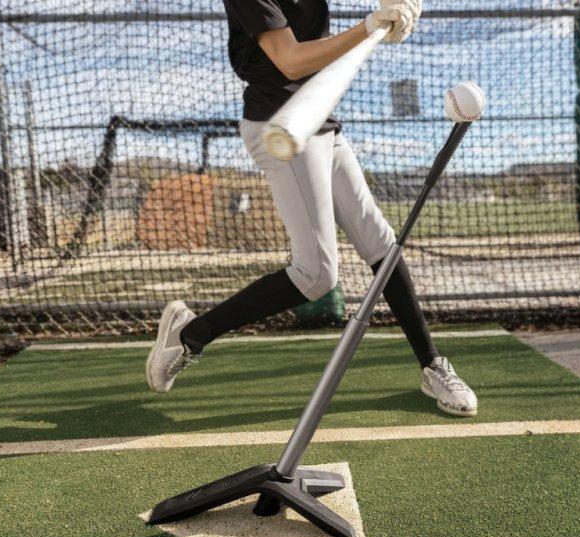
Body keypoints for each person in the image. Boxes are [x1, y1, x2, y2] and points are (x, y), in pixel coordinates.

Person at [145, 0, 478, 417]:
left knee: (381, 242)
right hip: (281, 125)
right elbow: (290, 61)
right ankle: (191, 333)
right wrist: (370, 24)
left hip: (320, 118)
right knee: (316, 274)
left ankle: (432, 365)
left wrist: (400, 4)